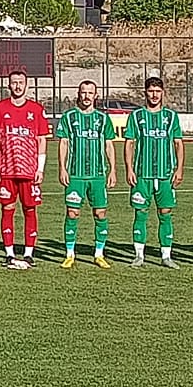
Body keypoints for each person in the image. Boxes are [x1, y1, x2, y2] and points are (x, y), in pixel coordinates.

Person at [0, 70, 49, 269]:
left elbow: (41, 140)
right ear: (9, 85)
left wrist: (40, 168)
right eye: (14, 82)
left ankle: (29, 253)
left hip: (29, 170)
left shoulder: (36, 109)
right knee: (7, 210)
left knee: (30, 209)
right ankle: (9, 253)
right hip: (6, 170)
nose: (17, 86)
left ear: (26, 85)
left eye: (21, 82)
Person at [56, 79, 117, 269]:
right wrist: (62, 168)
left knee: (100, 213)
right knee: (72, 213)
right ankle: (69, 254)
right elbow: (64, 143)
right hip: (75, 174)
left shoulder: (103, 119)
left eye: (90, 93)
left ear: (96, 95)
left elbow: (108, 144)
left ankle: (99, 254)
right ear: (78, 94)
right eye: (83, 92)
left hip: (98, 175)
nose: (86, 96)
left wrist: (113, 169)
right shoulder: (69, 117)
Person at [123, 77, 180, 267]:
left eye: (158, 91)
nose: (154, 95)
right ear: (145, 92)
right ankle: (139, 255)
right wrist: (129, 169)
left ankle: (166, 256)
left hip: (165, 174)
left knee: (165, 213)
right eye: (151, 91)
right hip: (142, 174)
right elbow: (129, 143)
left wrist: (179, 169)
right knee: (140, 213)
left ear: (163, 93)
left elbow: (178, 143)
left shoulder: (171, 116)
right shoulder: (136, 116)